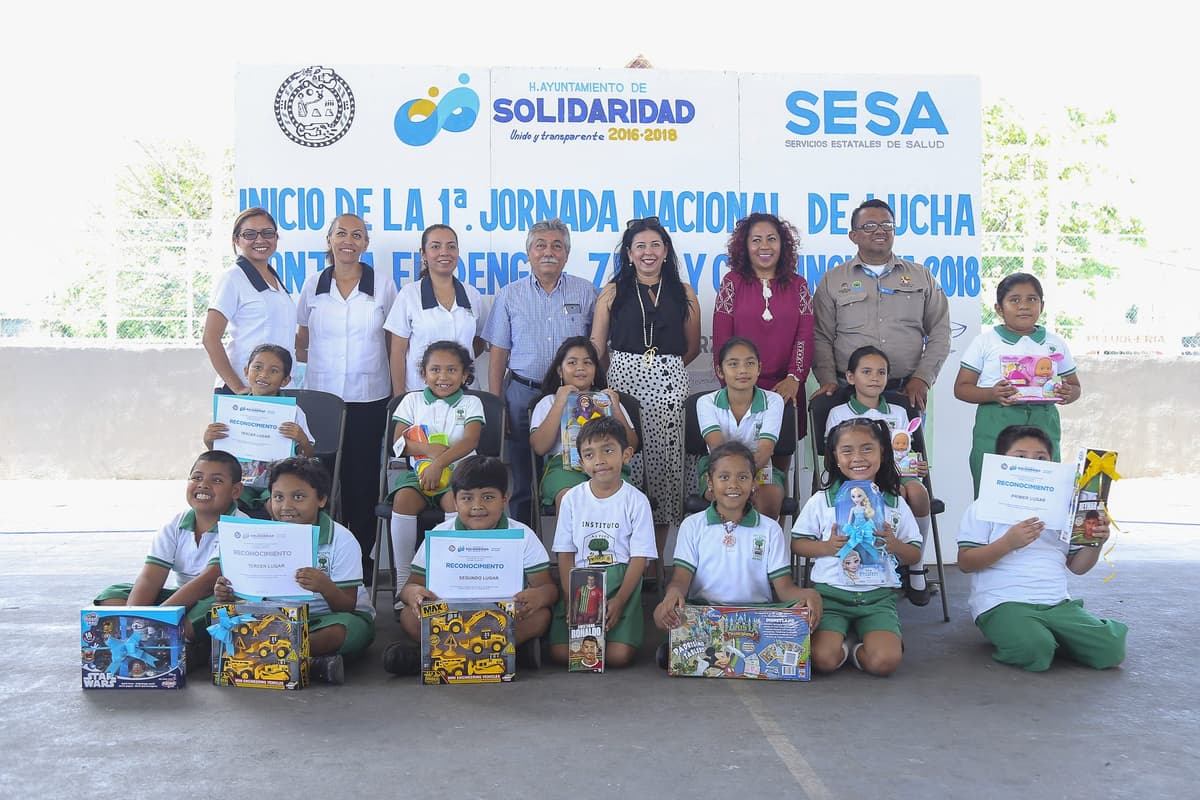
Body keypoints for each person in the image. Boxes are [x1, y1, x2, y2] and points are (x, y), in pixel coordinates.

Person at [957, 425, 1126, 672]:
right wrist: (1008, 543)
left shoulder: (1064, 510)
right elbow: (965, 562)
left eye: (1040, 458)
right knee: (1034, 649)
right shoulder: (984, 506)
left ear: (1052, 463)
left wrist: (1096, 542)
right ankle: (1042, 637)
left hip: (1057, 603)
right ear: (1002, 462)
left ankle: (1050, 635)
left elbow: (1078, 567)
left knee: (1111, 649)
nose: (1031, 465)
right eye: (1020, 457)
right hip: (1002, 603)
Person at [383, 455, 558, 674]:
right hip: (448, 617)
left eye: (488, 497)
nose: (477, 506)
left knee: (541, 616)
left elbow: (549, 589)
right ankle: (504, 653)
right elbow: (408, 588)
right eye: (467, 498)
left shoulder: (523, 535)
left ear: (505, 499)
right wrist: (414, 594)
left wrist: (538, 596)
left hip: (502, 618)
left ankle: (436, 656)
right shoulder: (440, 535)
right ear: (455, 502)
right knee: (409, 616)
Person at [213, 456, 376, 685]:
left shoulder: (341, 539)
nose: (286, 506)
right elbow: (251, 598)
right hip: (274, 620)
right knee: (220, 618)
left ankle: (259, 658)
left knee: (343, 631)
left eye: (298, 497)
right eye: (278, 497)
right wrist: (229, 594)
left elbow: (346, 606)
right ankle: (310, 664)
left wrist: (324, 586)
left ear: (321, 499)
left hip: (324, 618)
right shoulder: (257, 537)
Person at [591, 217, 701, 556]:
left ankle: (654, 562)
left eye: (655, 245)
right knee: (628, 462)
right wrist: (621, 373)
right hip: (624, 387)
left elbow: (692, 347)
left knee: (665, 470)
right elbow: (597, 346)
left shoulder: (684, 293)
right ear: (629, 253)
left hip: (670, 390)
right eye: (640, 246)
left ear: (666, 251)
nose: (648, 252)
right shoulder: (612, 292)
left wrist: (663, 371)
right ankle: (626, 558)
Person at [295, 213, 397, 575]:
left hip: (369, 397)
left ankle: (361, 561)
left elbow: (393, 343)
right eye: (341, 234)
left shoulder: (383, 285)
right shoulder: (312, 285)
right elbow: (302, 339)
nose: (348, 241)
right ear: (329, 240)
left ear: (366, 244)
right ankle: (315, 557)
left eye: (357, 235)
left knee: (362, 481)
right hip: (321, 399)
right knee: (317, 478)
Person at [653, 442, 823, 658]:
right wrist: (673, 594)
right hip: (705, 613)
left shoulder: (770, 529)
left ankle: (698, 652)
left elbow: (785, 589)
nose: (733, 484)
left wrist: (809, 595)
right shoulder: (693, 525)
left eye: (742, 477)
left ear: (754, 483)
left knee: (799, 617)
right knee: (660, 614)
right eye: (724, 477)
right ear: (710, 483)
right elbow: (680, 580)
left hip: (756, 617)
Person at [483, 218, 598, 526]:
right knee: (523, 480)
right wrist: (498, 404)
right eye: (541, 245)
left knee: (581, 472)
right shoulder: (509, 295)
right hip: (523, 393)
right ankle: (527, 548)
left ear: (567, 254)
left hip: (577, 397)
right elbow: (498, 353)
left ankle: (575, 546)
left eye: (557, 246)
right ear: (529, 252)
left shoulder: (586, 292)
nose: (548, 252)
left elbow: (598, 349)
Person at [791, 419, 923, 676]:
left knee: (885, 662)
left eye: (867, 449)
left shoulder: (894, 502)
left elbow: (914, 553)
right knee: (821, 659)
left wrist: (894, 545)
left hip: (877, 597)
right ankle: (843, 642)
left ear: (882, 452)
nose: (858, 458)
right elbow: (798, 543)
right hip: (831, 595)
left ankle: (856, 647)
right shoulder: (822, 501)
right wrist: (827, 547)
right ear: (835, 457)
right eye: (847, 451)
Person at [811, 198, 951, 411]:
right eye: (869, 226)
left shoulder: (921, 276)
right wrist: (827, 380)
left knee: (904, 436)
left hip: (906, 390)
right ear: (853, 236)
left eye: (887, 225)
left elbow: (941, 331)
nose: (880, 231)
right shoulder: (833, 279)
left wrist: (923, 378)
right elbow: (820, 336)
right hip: (847, 392)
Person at [93, 451, 244, 647]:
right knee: (112, 595)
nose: (203, 485)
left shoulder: (239, 527)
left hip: (213, 596)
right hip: (179, 598)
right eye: (197, 477)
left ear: (235, 491)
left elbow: (207, 581)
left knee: (216, 608)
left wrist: (156, 619)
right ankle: (158, 634)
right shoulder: (176, 524)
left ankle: (166, 637)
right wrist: (135, 618)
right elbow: (150, 577)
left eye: (216, 480)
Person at [824, 345, 935, 605]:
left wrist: (917, 465)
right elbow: (832, 457)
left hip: (895, 472)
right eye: (867, 372)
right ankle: (877, 561)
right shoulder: (838, 413)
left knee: (917, 492)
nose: (875, 378)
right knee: (895, 492)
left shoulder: (898, 411)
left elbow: (907, 450)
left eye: (881, 372)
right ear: (850, 377)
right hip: (854, 477)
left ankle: (915, 567)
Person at [954, 273, 1081, 497]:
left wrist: (1067, 393)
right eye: (1014, 300)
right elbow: (962, 388)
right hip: (995, 423)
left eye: (1032, 299)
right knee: (993, 493)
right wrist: (992, 394)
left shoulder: (1055, 343)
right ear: (999, 308)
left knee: (1041, 493)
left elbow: (1075, 387)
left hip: (1044, 424)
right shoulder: (985, 342)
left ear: (1042, 305)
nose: (1024, 306)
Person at [549, 417, 657, 668]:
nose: (599, 460)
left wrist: (619, 601)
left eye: (608, 450)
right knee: (560, 654)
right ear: (581, 462)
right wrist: (571, 598)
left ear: (626, 455)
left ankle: (615, 633)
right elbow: (565, 553)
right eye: (589, 454)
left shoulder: (636, 500)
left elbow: (639, 558)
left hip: (621, 582)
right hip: (579, 584)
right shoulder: (572, 499)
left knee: (618, 657)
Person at [388, 341, 484, 598]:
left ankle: (449, 580)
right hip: (418, 474)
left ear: (464, 374)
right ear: (423, 373)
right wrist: (430, 451)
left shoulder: (472, 402)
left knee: (456, 502)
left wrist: (439, 464)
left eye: (452, 370)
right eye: (435, 370)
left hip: (459, 475)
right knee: (403, 499)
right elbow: (398, 443)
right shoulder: (412, 400)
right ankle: (403, 583)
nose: (443, 377)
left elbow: (470, 441)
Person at [712, 213, 813, 438]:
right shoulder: (731, 283)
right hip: (740, 386)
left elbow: (804, 337)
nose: (764, 246)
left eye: (771, 239)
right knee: (738, 454)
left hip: (786, 388)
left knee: (781, 455)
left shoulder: (799, 285)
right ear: (745, 246)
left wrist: (794, 378)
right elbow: (722, 340)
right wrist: (735, 383)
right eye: (756, 240)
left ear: (783, 244)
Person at [529, 336, 637, 513]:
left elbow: (632, 445)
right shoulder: (549, 402)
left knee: (624, 497)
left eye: (587, 362)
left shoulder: (607, 400)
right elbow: (540, 448)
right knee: (568, 497)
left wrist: (615, 408)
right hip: (564, 468)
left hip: (608, 465)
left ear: (595, 370)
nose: (580, 368)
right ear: (560, 371)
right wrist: (560, 403)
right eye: (572, 362)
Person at [203, 344, 313, 514]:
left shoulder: (294, 412)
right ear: (246, 371)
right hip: (239, 479)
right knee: (225, 496)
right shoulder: (231, 409)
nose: (263, 375)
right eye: (257, 367)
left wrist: (302, 439)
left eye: (274, 371)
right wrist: (209, 441)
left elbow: (308, 456)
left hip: (278, 481)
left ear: (285, 380)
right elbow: (220, 453)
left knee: (275, 502)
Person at [384, 224, 487, 395]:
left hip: (466, 394)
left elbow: (479, 341)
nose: (444, 252)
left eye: (451, 246)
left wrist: (457, 364)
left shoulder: (472, 295)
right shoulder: (409, 295)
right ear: (423, 253)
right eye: (435, 246)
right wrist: (400, 398)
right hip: (419, 394)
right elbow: (397, 353)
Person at [203, 207, 296, 394]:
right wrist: (238, 387)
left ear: (276, 237)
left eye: (267, 233)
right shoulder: (232, 278)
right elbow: (210, 338)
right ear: (236, 240)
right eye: (250, 234)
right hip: (245, 388)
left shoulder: (275, 279)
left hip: (273, 390)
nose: (260, 240)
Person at [696, 337, 787, 521]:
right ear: (720, 371)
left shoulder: (773, 401)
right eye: (733, 364)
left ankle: (758, 540)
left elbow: (765, 450)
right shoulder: (706, 402)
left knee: (769, 497)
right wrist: (737, 481)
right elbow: (717, 448)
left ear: (759, 368)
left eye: (750, 363)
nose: (743, 370)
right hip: (719, 466)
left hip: (760, 467)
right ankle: (726, 539)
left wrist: (746, 479)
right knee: (727, 496)